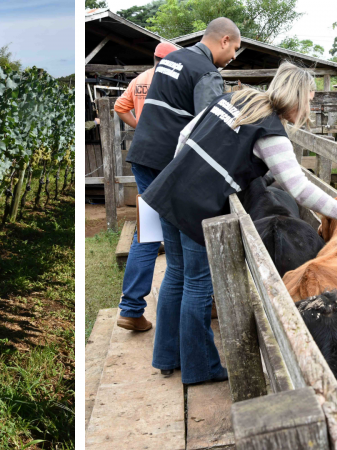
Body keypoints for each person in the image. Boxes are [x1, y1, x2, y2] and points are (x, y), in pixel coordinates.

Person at [141, 62, 337, 384]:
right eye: (308, 99)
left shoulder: (236, 99)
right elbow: (298, 187)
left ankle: (167, 356)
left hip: (168, 191)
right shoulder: (270, 131)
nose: (308, 107)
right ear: (297, 96)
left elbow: (184, 136)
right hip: (196, 207)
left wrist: (184, 175)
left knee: (177, 275)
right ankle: (199, 367)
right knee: (198, 284)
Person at [117, 17, 241, 332]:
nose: (234, 58)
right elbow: (211, 126)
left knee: (149, 233)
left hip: (144, 156)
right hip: (168, 162)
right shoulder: (207, 73)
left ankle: (131, 308)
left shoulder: (172, 59)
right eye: (235, 49)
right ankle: (201, 302)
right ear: (224, 40)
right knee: (190, 240)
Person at [113, 42, 180, 128]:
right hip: (167, 138)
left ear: (154, 57)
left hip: (144, 138)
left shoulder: (138, 80)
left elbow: (119, 107)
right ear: (172, 60)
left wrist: (139, 127)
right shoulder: (174, 80)